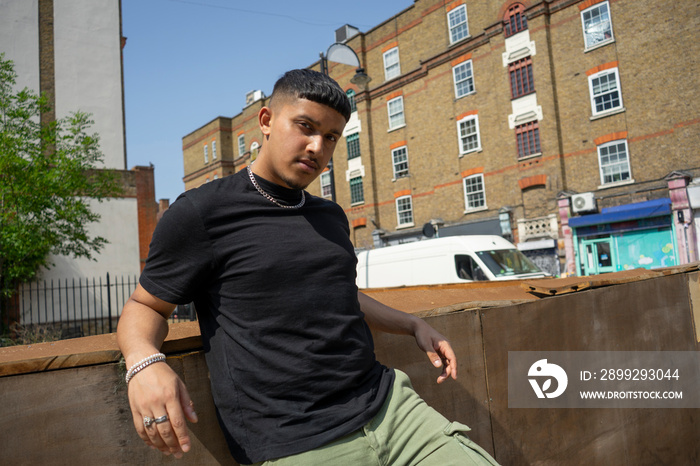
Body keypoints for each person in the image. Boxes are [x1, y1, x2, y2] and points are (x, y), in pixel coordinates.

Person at [117, 69, 499, 465]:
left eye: (331, 136)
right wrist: (143, 363)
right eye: (305, 126)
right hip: (294, 441)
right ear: (266, 121)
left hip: (391, 410)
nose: (317, 146)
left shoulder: (330, 216)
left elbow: (339, 294)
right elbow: (145, 306)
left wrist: (413, 324)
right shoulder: (201, 212)